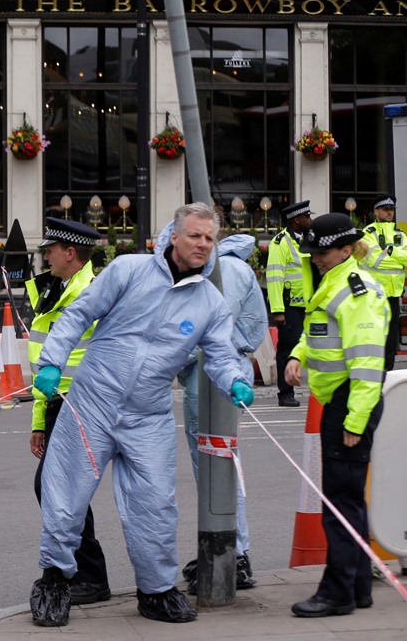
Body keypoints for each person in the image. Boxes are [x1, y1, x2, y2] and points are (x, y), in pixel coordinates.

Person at [29, 203, 254, 627]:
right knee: (66, 497)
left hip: (148, 415)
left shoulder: (210, 302)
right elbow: (78, 314)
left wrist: (235, 381)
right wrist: (51, 362)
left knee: (155, 505)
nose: (203, 244)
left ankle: (156, 591)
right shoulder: (128, 270)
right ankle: (55, 580)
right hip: (91, 404)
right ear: (174, 235)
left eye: (210, 238)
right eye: (195, 236)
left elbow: (221, 356)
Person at [285, 213, 388, 618]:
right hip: (340, 401)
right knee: (348, 501)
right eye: (312, 252)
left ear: (347, 249)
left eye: (322, 252)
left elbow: (366, 365)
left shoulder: (356, 290)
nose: (316, 258)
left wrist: (354, 422)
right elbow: (320, 334)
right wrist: (297, 355)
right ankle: (358, 586)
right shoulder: (335, 282)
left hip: (349, 404)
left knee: (340, 506)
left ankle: (337, 592)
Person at [24, 217, 110, 605]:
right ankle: (87, 574)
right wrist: (39, 421)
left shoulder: (91, 292)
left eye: (51, 250)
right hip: (59, 402)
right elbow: (43, 358)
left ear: (70, 253)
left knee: (57, 487)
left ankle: (89, 576)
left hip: (82, 404)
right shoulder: (56, 290)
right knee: (59, 488)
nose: (46, 255)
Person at [176, 233, 268, 593]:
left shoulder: (211, 272)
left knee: (214, 470)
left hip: (207, 379)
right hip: (232, 373)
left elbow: (191, 334)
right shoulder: (241, 270)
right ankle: (230, 549)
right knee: (225, 464)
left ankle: (230, 552)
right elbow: (252, 328)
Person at [266, 200, 312, 406]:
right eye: (307, 217)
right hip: (290, 306)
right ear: (296, 220)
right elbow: (274, 277)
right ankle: (285, 394)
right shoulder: (280, 242)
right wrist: (277, 310)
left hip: (310, 305)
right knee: (288, 349)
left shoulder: (309, 239)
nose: (310, 220)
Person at [359, 194, 407, 371]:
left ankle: (388, 373)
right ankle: (373, 373)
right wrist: (398, 258)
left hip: (394, 293)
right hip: (374, 294)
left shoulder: (399, 234)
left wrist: (390, 251)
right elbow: (375, 260)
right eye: (386, 209)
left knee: (391, 338)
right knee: (374, 334)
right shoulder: (367, 233)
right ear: (376, 211)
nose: (389, 213)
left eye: (391, 210)